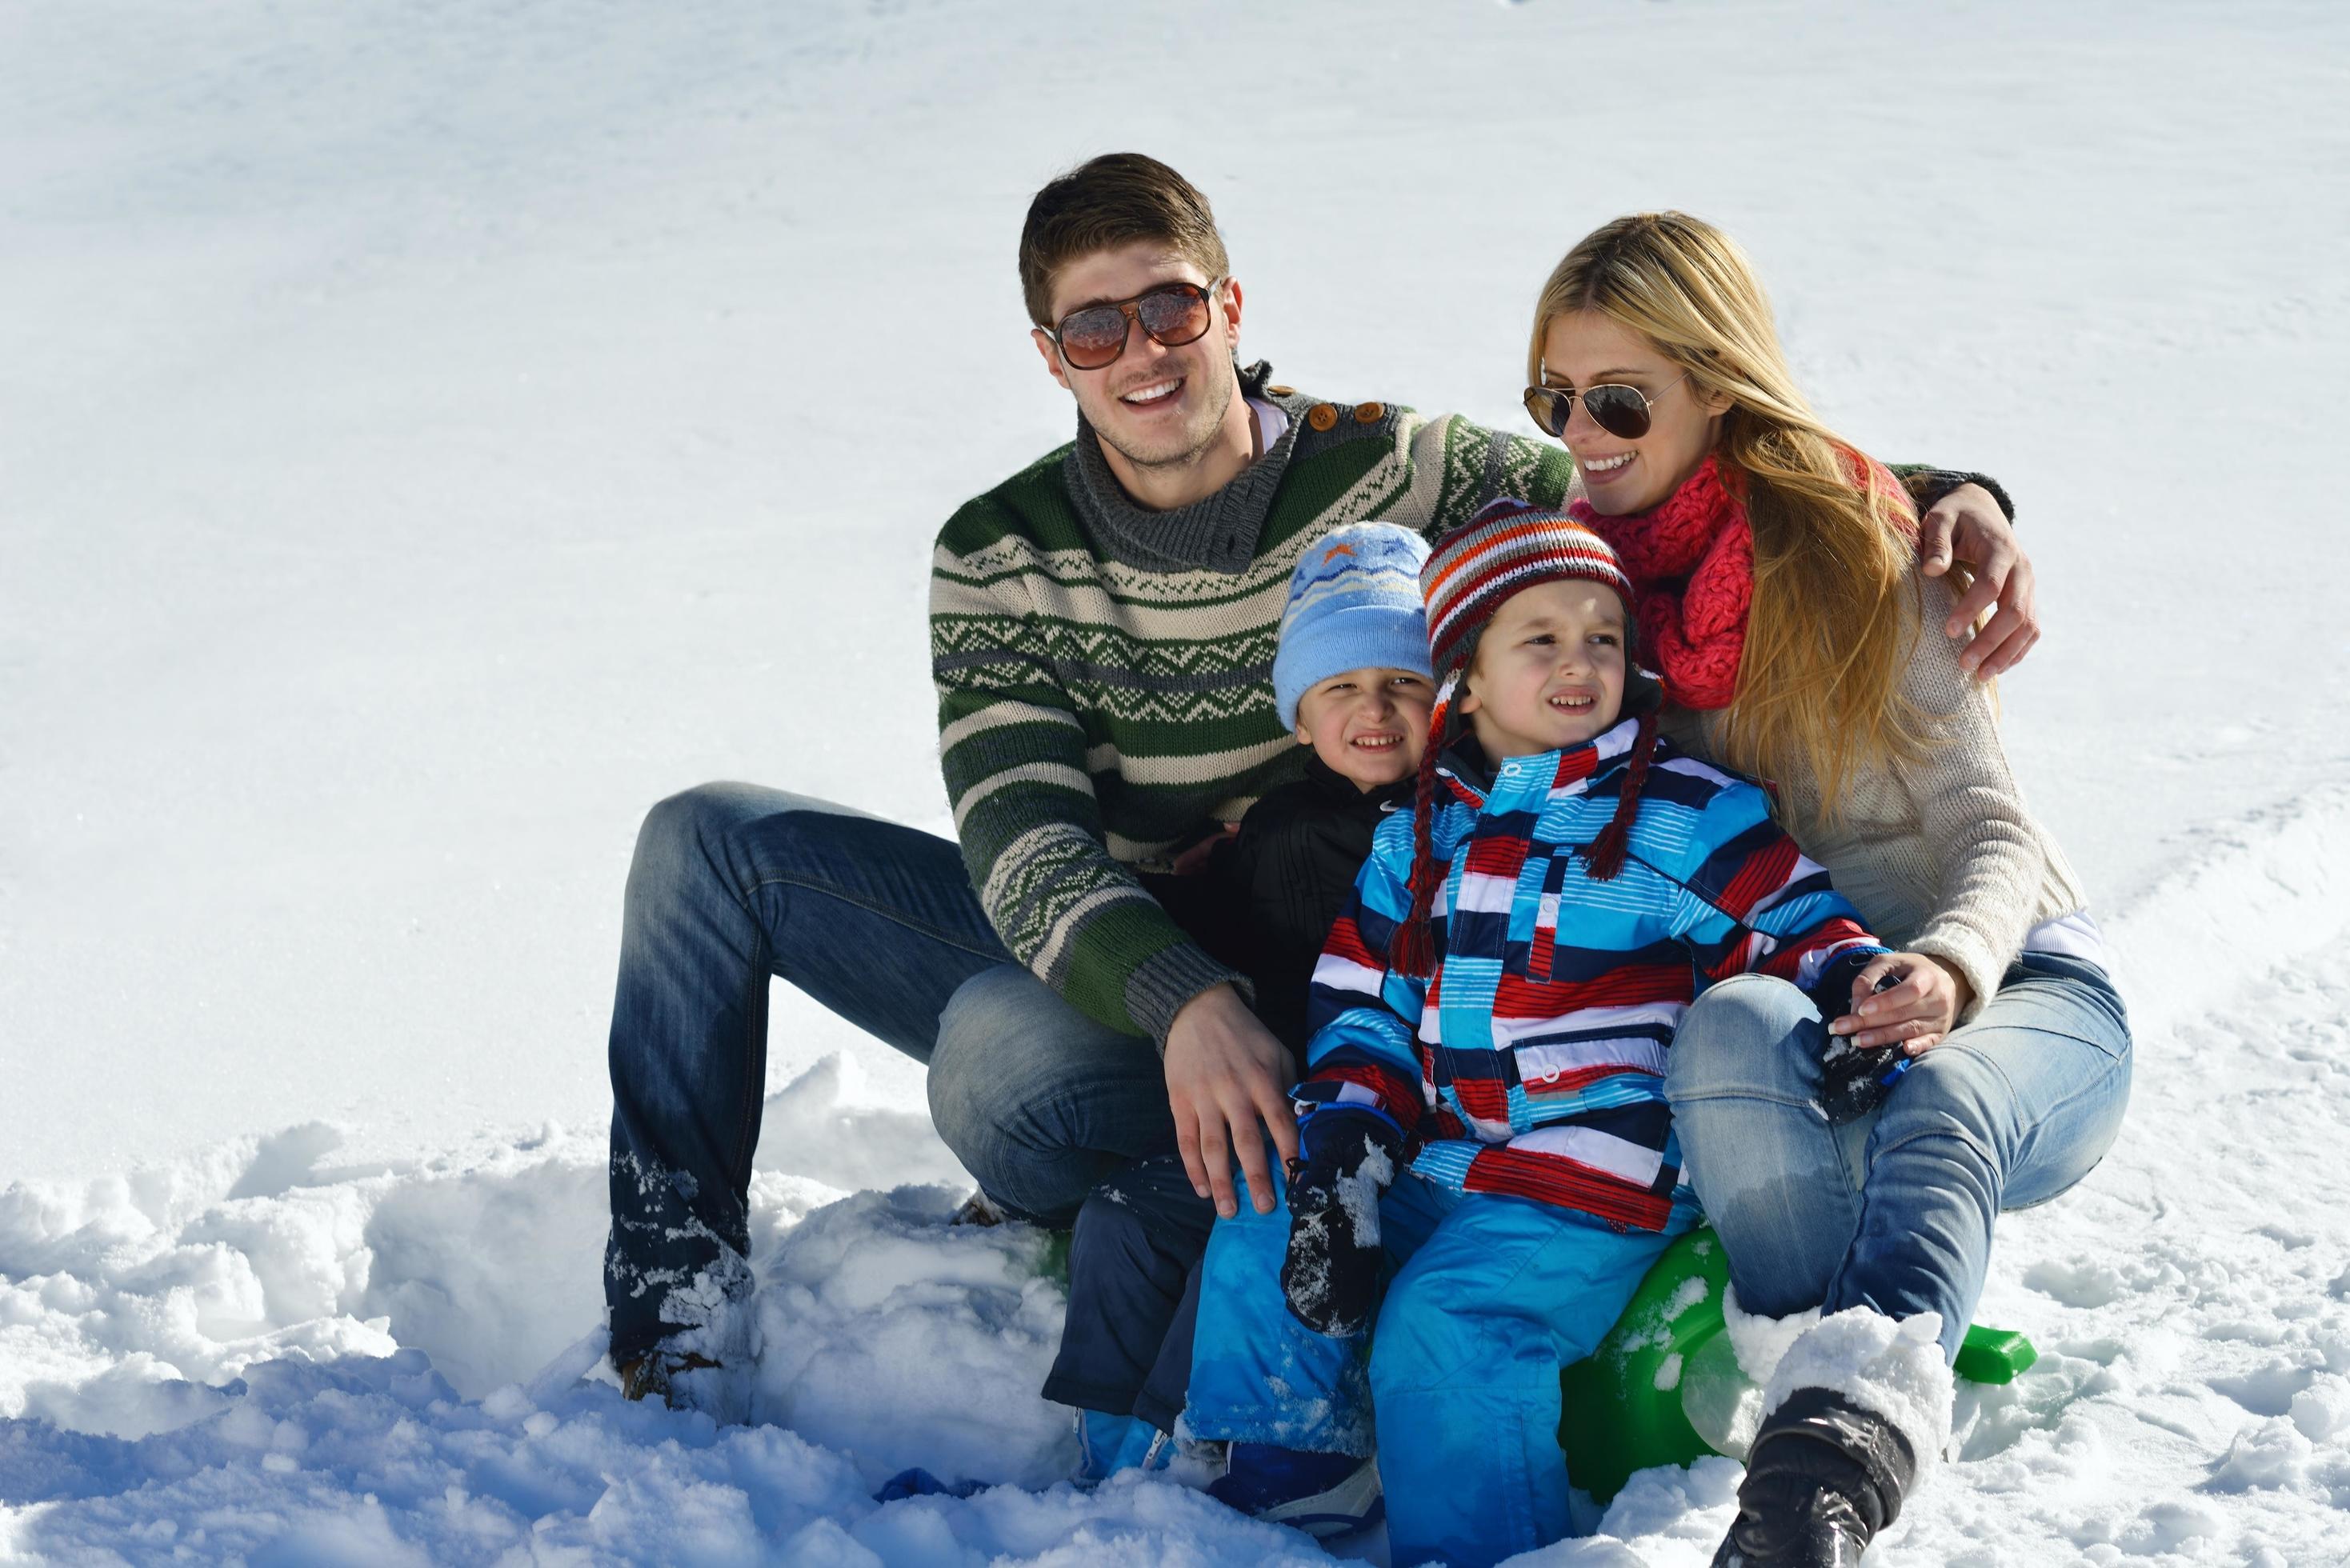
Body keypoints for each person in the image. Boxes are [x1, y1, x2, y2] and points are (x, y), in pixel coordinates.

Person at [597, 152, 2036, 1402]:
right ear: (1050, 354)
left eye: (1168, 305)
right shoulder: (1001, 547)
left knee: (1000, 1069)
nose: (1141, 351)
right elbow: (1020, 833)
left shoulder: (1399, 469)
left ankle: (1179, 1190)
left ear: (1229, 308)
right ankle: (677, 1314)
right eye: (1093, 326)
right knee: (706, 843)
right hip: (1125, 956)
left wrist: (1941, 492)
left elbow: (1660, 463)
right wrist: (1179, 1002)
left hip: (1338, 952)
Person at [1514, 213, 2131, 1566]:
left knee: (1950, 1098)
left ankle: (1825, 1479)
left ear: (1715, 387)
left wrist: (1955, 970)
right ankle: (1820, 1353)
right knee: (1725, 1030)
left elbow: (1988, 824)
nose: (1580, 432)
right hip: (1818, 1015)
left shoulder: (1864, 552)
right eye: (1551, 397)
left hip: (2015, 982)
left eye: (1617, 398)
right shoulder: (1584, 597)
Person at [1181, 501, 1892, 1565]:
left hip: (1587, 1175)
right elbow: (1362, 998)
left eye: (1601, 637)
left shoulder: (1673, 811)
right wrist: (1351, 1135)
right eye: (1542, 639)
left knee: (1448, 1320)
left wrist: (1856, 975)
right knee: (1267, 1197)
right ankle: (1292, 1473)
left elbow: (1786, 919)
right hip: (1440, 1156)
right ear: (1462, 675)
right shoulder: (1418, 831)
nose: (1580, 662)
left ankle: (1482, 1549)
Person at [1047, 522, 1438, 1480]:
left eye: (1406, 685)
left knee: (1251, 1215)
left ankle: (1187, 1448)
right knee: (1125, 1216)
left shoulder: (1462, 822)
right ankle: (1105, 1453)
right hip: (1267, 1099)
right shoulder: (1277, 826)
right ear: (1299, 715)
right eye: (1341, 687)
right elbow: (1218, 929)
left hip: (1379, 1120)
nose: (1374, 710)